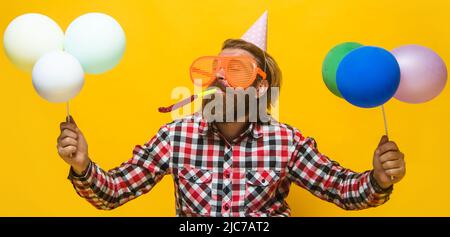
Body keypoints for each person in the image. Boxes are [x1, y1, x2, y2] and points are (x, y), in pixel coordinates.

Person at [56, 13, 405, 217]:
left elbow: (342, 190)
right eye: (215, 68)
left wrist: (378, 179)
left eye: (234, 70)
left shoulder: (284, 141)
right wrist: (82, 165)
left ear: (259, 90)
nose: (218, 78)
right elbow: (114, 192)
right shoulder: (175, 137)